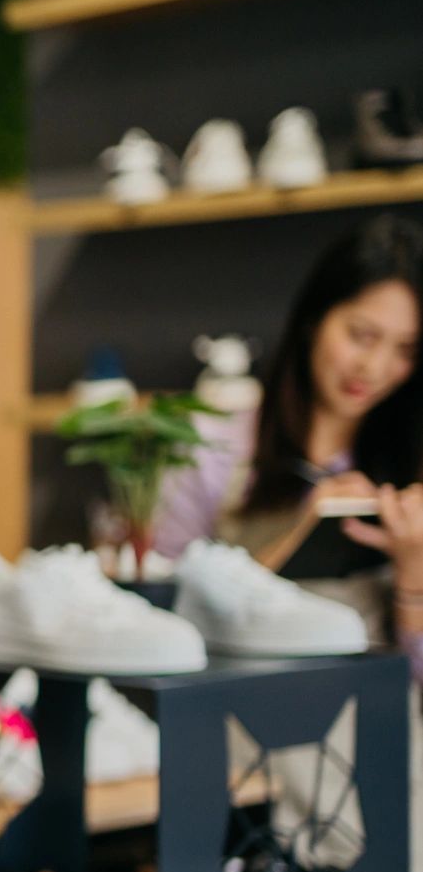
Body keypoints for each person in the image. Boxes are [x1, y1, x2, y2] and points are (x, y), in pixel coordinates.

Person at [154, 213, 423, 677]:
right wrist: (296, 536)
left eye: (405, 351)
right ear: (315, 318)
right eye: (362, 336)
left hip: (381, 732)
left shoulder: (411, 461)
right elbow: (164, 631)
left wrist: (413, 576)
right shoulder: (213, 448)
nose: (375, 368)